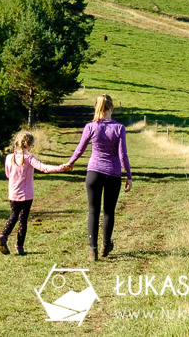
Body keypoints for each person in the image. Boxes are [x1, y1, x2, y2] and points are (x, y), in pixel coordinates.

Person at [65, 94, 132, 261]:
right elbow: (122, 155)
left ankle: (92, 250)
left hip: (93, 172)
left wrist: (71, 162)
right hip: (113, 174)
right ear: (111, 108)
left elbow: (80, 148)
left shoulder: (90, 127)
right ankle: (105, 245)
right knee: (109, 212)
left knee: (93, 211)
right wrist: (128, 176)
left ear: (97, 108)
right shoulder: (119, 128)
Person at [0, 130, 71, 256]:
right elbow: (44, 168)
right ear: (29, 145)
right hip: (26, 195)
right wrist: (61, 167)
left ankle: (3, 235)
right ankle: (19, 246)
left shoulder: (9, 158)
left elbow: (8, 174)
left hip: (13, 193)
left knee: (14, 215)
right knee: (23, 220)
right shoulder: (29, 158)